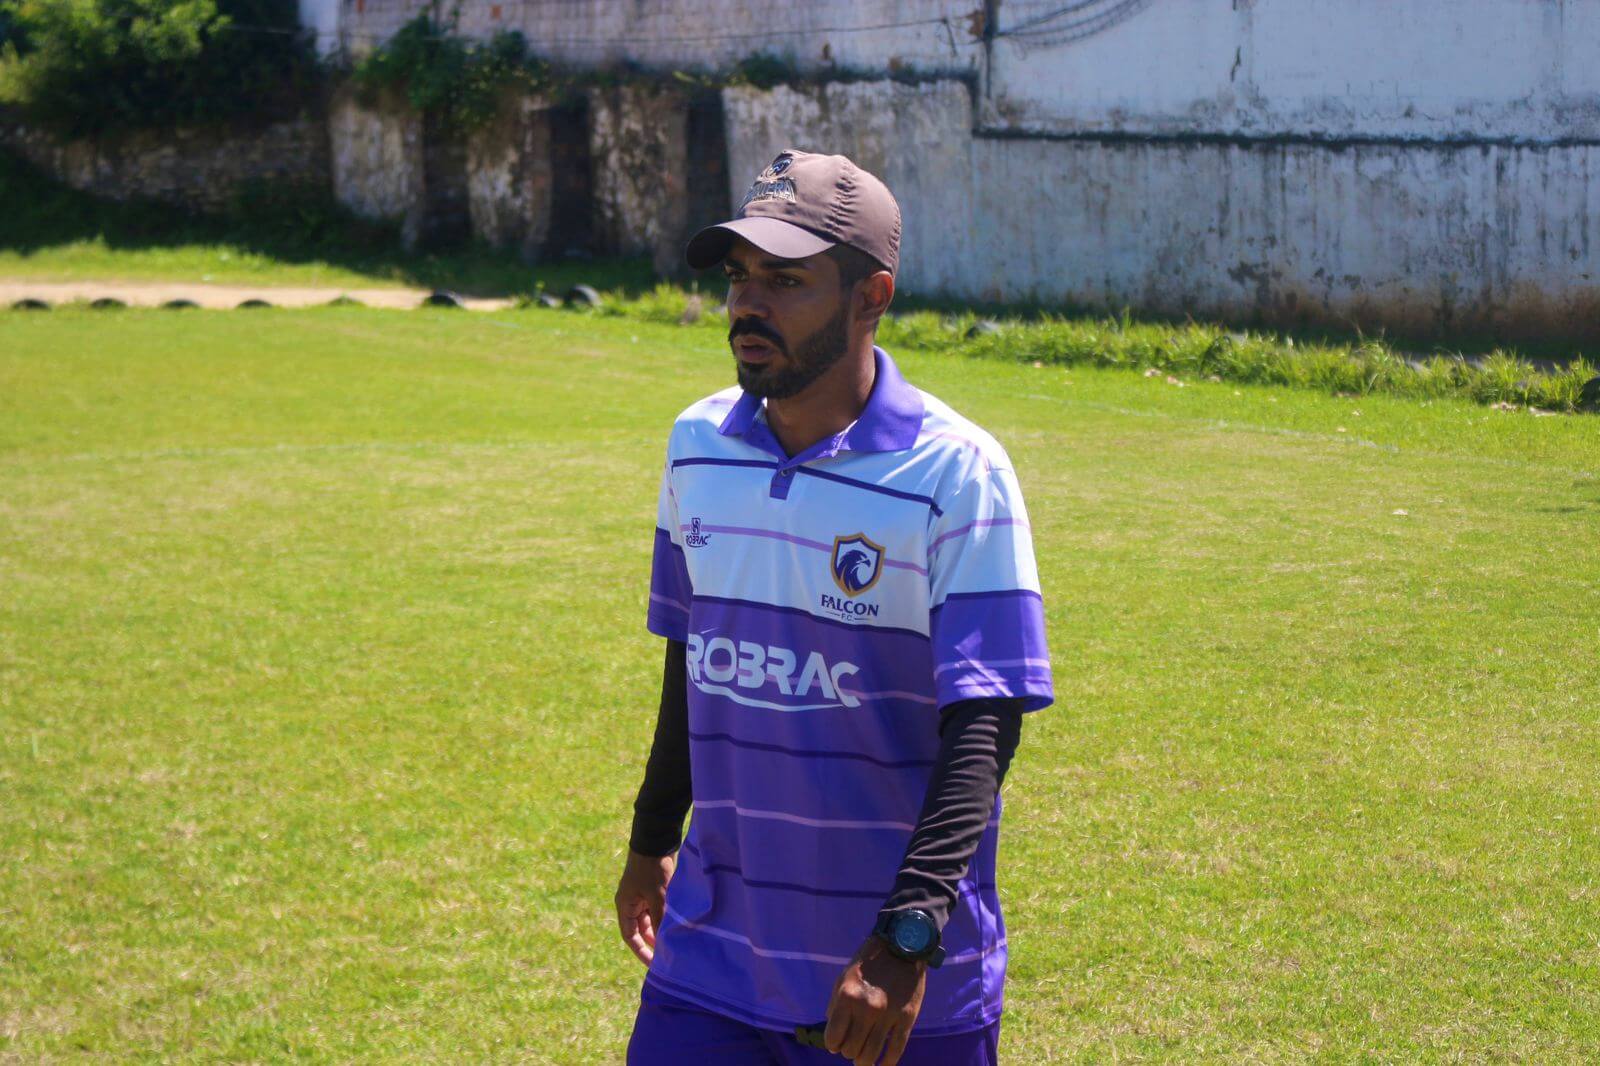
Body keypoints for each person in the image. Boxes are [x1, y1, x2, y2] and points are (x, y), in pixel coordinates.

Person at [615, 149, 1052, 1066]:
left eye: (785, 279)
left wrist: (905, 944)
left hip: (892, 989)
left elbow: (983, 724)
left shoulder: (956, 472)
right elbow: (691, 657)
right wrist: (654, 836)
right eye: (739, 276)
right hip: (714, 952)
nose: (746, 304)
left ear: (871, 294)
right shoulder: (697, 446)